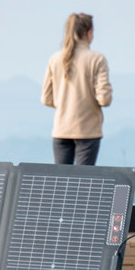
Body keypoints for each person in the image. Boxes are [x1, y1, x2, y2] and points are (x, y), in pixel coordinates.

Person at [41, 13, 112, 165]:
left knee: (60, 183)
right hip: (88, 131)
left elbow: (46, 98)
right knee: (83, 183)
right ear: (89, 33)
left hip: (61, 129)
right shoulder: (97, 59)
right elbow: (104, 99)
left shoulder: (55, 59)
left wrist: (65, 103)